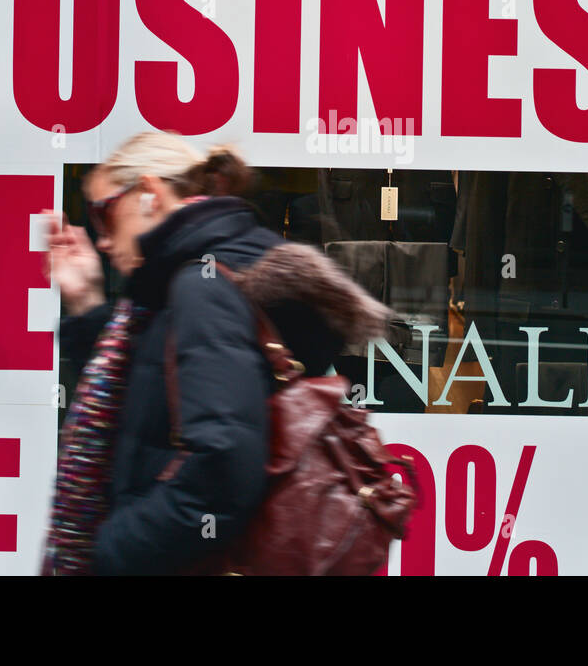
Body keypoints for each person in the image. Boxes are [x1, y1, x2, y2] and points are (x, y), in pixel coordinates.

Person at [41, 132, 391, 575]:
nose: (103, 240)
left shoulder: (200, 285)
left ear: (150, 193)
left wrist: (113, 547)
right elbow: (155, 403)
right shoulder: (194, 274)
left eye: (104, 214)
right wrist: (87, 303)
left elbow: (222, 464)